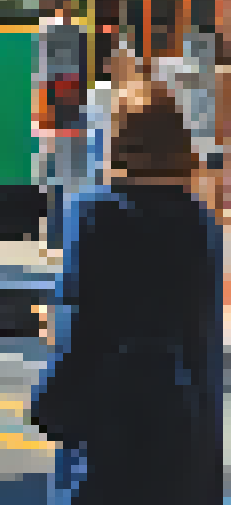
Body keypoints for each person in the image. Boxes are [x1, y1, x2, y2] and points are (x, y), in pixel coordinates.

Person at [31, 54, 224, 502]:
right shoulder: (199, 221)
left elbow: (83, 327)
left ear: (117, 143)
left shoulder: (97, 212)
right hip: (184, 437)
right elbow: (204, 345)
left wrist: (51, 403)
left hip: (109, 433)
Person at [36, 0, 89, 251]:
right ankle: (61, 234)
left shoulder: (53, 32)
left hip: (61, 114)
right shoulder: (71, 32)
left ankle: (57, 234)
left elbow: (44, 75)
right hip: (67, 115)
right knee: (66, 179)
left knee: (58, 179)